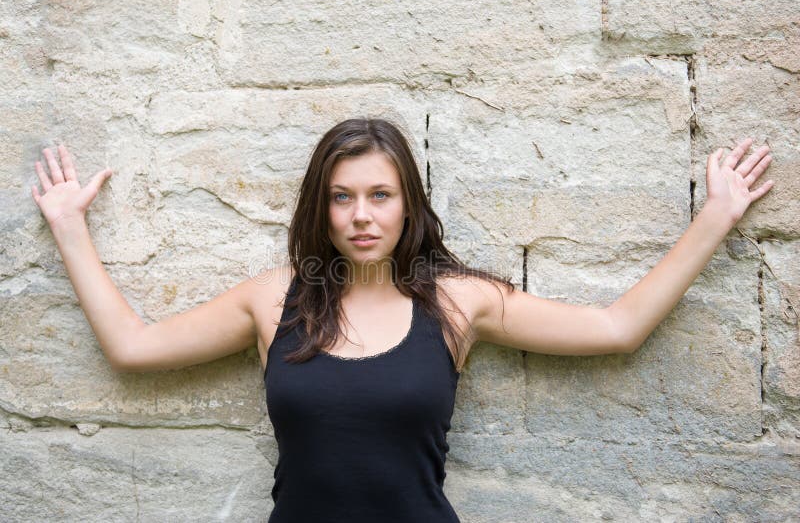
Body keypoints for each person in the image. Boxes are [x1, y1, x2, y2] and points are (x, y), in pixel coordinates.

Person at [30, 118, 774, 522]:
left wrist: (716, 216)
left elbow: (616, 328)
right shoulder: (271, 300)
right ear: (320, 207)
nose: (361, 215)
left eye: (381, 195)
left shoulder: (456, 303)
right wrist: (68, 226)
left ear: (408, 204)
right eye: (343, 196)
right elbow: (131, 346)